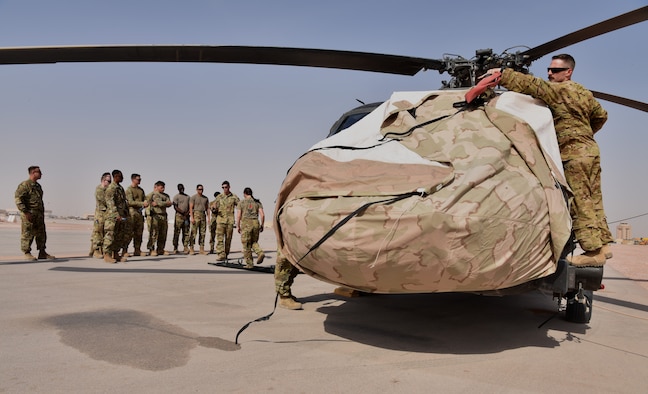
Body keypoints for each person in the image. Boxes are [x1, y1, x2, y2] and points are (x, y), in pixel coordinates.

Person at [486, 53, 611, 266]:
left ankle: (593, 251)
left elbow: (533, 85)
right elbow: (601, 116)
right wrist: (583, 134)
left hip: (573, 154)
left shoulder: (558, 91)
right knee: (593, 198)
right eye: (549, 70)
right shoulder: (584, 92)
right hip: (590, 151)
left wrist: (502, 74)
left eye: (555, 70)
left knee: (579, 199)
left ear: (568, 72)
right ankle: (605, 244)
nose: (550, 74)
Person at [14, 166, 55, 261]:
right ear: (33, 173)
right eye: (39, 172)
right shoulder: (24, 185)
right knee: (27, 233)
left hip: (39, 215)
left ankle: (42, 252)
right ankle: (26, 252)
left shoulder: (38, 186)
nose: (41, 174)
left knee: (41, 234)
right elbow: (18, 199)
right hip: (29, 214)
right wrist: (25, 212)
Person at [103, 169, 130, 263]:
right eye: (120, 176)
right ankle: (107, 255)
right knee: (110, 235)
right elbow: (110, 203)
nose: (122, 178)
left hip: (121, 216)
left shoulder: (120, 188)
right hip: (112, 217)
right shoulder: (111, 188)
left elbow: (124, 202)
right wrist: (116, 214)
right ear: (115, 177)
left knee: (119, 236)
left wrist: (126, 213)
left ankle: (115, 254)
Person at [236, 187, 265, 268]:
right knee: (254, 242)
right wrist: (262, 225)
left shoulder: (241, 202)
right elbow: (262, 215)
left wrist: (238, 226)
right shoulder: (257, 202)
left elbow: (238, 216)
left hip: (246, 223)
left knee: (246, 244)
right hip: (255, 222)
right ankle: (260, 252)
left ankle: (249, 264)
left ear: (244, 193)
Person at [213, 180, 240, 261]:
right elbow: (214, 207)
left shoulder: (234, 197)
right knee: (220, 239)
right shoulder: (219, 197)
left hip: (230, 221)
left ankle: (226, 253)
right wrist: (213, 209)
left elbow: (239, 207)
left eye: (226, 187)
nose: (224, 189)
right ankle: (221, 254)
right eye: (223, 187)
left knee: (228, 239)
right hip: (220, 221)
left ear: (229, 187)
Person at [125, 173, 149, 256]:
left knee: (139, 233)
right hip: (131, 213)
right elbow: (130, 202)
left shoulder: (141, 190)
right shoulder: (129, 189)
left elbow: (145, 199)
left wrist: (146, 203)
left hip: (139, 213)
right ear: (133, 179)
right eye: (138, 179)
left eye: (140, 179)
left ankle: (137, 249)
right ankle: (125, 250)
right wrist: (142, 203)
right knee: (129, 233)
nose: (139, 181)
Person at [90, 172, 111, 259]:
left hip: (106, 213)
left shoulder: (107, 190)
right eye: (108, 181)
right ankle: (96, 250)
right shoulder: (99, 189)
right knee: (98, 232)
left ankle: (96, 250)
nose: (109, 183)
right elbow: (104, 202)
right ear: (103, 180)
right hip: (100, 213)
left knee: (103, 232)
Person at [149, 181, 172, 256]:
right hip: (156, 215)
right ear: (157, 187)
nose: (163, 189)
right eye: (161, 187)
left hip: (164, 215)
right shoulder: (155, 194)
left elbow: (169, 204)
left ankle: (160, 249)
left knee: (163, 233)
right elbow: (159, 202)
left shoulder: (166, 195)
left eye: (164, 187)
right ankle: (151, 249)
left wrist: (161, 203)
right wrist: (164, 203)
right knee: (154, 233)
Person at [188, 184, 210, 255]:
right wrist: (192, 217)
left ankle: (201, 249)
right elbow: (191, 208)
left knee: (202, 233)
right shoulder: (193, 197)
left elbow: (207, 208)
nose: (201, 190)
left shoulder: (205, 198)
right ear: (197, 189)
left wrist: (209, 218)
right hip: (196, 215)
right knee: (193, 232)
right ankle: (191, 248)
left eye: (202, 189)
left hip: (203, 215)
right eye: (199, 189)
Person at [172, 184, 191, 254]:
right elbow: (175, 207)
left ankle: (185, 247)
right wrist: (182, 212)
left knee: (186, 232)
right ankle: (175, 247)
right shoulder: (176, 197)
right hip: (179, 216)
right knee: (177, 232)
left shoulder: (188, 197)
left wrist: (187, 213)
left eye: (182, 188)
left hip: (186, 217)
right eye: (180, 188)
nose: (181, 189)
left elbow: (190, 206)